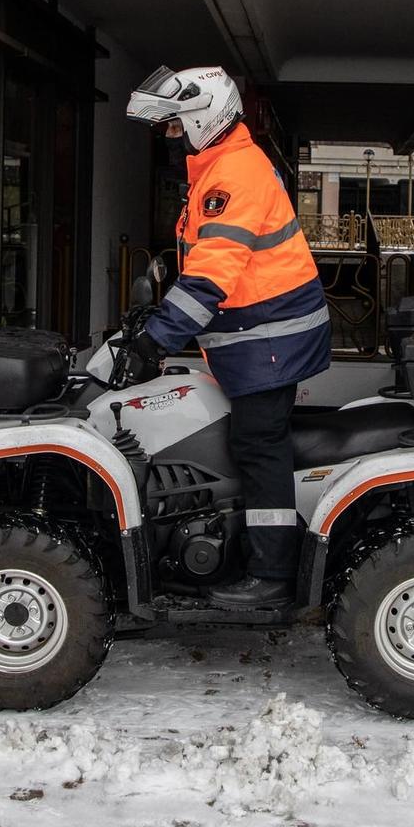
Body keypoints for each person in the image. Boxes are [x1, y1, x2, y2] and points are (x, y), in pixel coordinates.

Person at [124, 65, 332, 607]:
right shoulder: (219, 169)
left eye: (173, 127)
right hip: (260, 338)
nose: (169, 139)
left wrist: (158, 339)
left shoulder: (234, 174)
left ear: (201, 119)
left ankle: (271, 574)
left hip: (271, 341)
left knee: (259, 445)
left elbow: (214, 273)